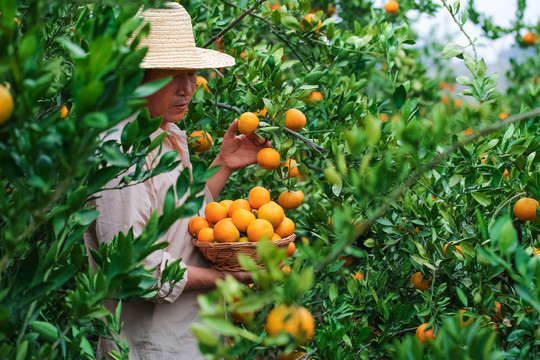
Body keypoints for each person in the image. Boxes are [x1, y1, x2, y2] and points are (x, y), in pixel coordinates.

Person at [83, 3, 270, 359]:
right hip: (152, 347)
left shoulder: (167, 134)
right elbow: (131, 268)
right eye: (173, 75)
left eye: (192, 74)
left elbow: (185, 222)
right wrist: (224, 279)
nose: (188, 88)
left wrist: (224, 163)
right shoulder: (118, 152)